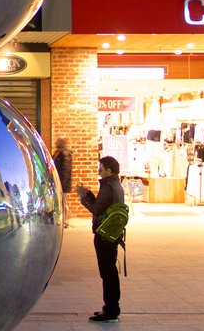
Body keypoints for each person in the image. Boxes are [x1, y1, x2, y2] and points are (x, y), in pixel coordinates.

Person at [77, 156, 126, 323]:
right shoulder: (116, 185)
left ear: (109, 171)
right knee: (110, 272)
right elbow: (102, 206)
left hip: (104, 235)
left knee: (108, 273)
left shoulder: (108, 187)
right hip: (112, 234)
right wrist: (89, 193)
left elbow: (96, 209)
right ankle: (111, 308)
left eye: (101, 169)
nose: (99, 171)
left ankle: (111, 310)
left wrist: (83, 197)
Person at [52, 138, 73, 225]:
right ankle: (61, 219)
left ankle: (65, 220)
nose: (55, 143)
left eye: (57, 142)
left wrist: (62, 184)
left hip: (62, 183)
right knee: (60, 201)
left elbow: (65, 170)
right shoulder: (58, 153)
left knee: (63, 202)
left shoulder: (65, 155)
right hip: (59, 182)